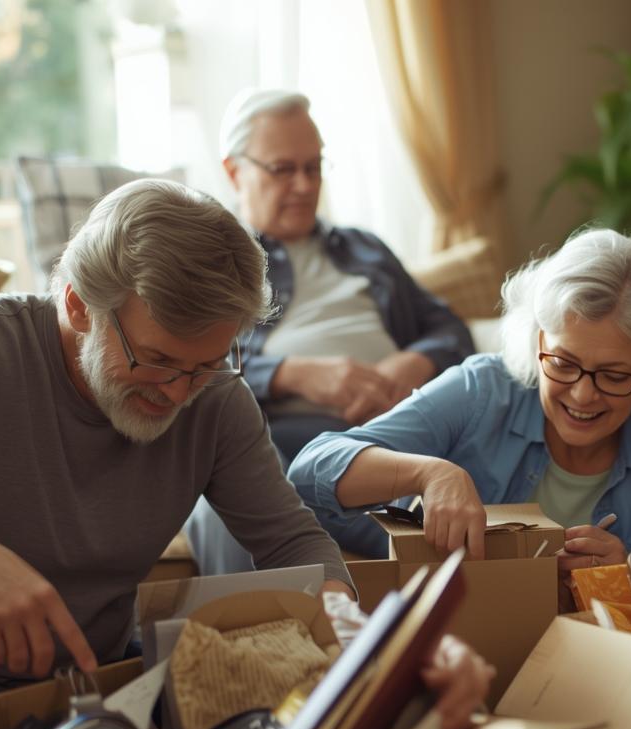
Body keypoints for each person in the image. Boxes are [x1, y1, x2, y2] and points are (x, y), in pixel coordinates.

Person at [0, 179, 491, 729]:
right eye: (156, 360)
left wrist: (364, 642)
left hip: (92, 685)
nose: (179, 393)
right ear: (79, 305)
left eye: (208, 363)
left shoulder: (215, 397)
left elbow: (290, 540)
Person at [288, 228, 631, 580]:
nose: (582, 394)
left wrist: (624, 573)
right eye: (562, 362)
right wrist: (431, 473)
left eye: (614, 375)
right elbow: (310, 469)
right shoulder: (481, 389)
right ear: (538, 340)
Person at [184, 87, 474, 574]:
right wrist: (290, 375)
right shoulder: (212, 257)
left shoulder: (365, 249)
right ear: (235, 171)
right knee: (229, 479)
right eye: (283, 169)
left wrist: (414, 362)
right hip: (285, 443)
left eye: (313, 167)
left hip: (391, 439)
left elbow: (450, 327)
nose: (303, 185)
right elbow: (190, 362)